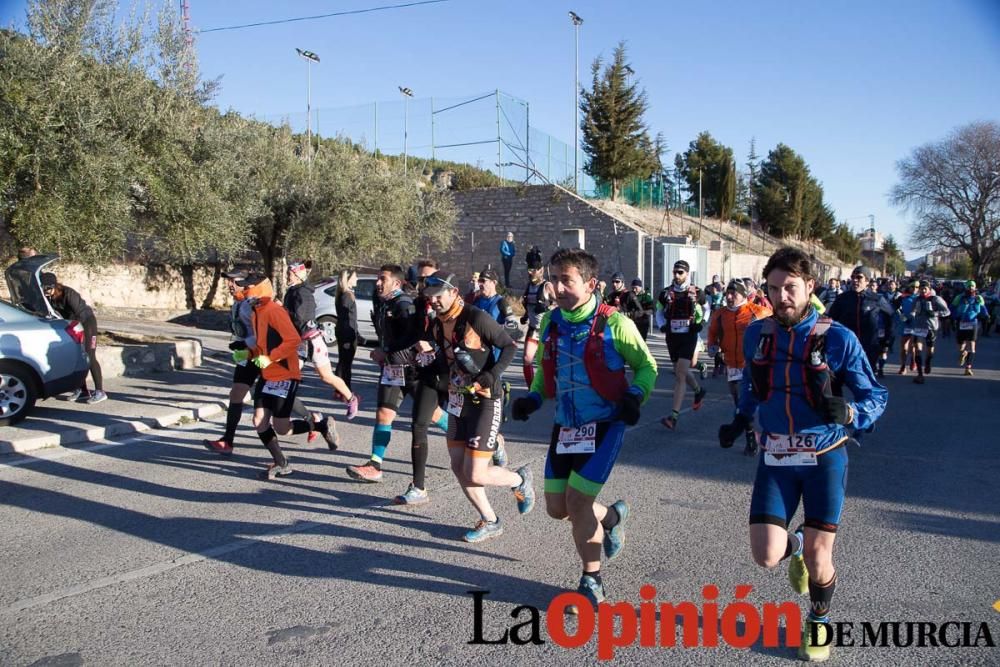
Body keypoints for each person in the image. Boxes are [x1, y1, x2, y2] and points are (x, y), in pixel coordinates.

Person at [718, 247, 888, 662]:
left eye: (790, 288)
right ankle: (793, 545)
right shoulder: (759, 334)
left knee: (820, 554)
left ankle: (818, 617)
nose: (782, 298)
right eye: (774, 289)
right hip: (776, 459)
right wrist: (741, 419)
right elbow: (757, 391)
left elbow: (875, 396)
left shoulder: (838, 339)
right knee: (766, 556)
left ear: (810, 287)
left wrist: (851, 411)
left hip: (824, 456)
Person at [511, 248, 657, 610]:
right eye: (554, 279)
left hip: (605, 424)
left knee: (578, 503)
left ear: (591, 284)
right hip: (566, 426)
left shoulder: (616, 324)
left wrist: (635, 396)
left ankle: (592, 580)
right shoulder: (551, 322)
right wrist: (533, 397)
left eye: (567, 280)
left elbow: (647, 367)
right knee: (557, 508)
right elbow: (547, 369)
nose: (557, 287)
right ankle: (612, 517)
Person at [417, 271, 534, 541]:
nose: (432, 302)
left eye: (437, 296)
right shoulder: (436, 325)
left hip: (485, 400)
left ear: (453, 293)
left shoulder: (475, 317)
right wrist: (426, 362)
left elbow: (509, 346)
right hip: (458, 401)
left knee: (476, 472)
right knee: (459, 468)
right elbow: (444, 362)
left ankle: (519, 480)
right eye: (429, 297)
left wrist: (491, 375)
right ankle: (490, 520)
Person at [346, 265, 449, 488]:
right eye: (377, 279)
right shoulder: (385, 303)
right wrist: (384, 352)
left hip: (414, 372)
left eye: (382, 279)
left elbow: (415, 341)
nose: (377, 283)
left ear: (397, 283)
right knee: (384, 414)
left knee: (435, 415)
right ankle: (374, 465)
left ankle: (478, 442)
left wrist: (387, 351)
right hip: (392, 370)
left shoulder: (404, 305)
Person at [239, 275, 318, 480]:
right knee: (259, 421)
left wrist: (270, 358)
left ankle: (319, 424)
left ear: (261, 288)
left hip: (285, 373)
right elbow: (263, 343)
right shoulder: (257, 311)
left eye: (247, 286)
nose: (243, 290)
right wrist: (248, 354)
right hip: (267, 374)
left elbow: (292, 340)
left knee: (282, 428)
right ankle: (282, 463)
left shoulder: (274, 310)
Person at [283, 260, 358, 436]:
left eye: (289, 274)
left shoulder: (303, 292)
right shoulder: (292, 291)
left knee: (326, 376)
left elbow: (300, 318)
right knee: (288, 381)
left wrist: (282, 312)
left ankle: (351, 398)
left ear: (298, 275)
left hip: (311, 340)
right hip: (298, 343)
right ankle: (310, 419)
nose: (287, 276)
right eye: (287, 273)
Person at [706, 279, 772, 455]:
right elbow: (712, 332)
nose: (728, 296)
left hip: (752, 365)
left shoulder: (758, 312)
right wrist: (712, 346)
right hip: (732, 364)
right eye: (727, 293)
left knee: (756, 401)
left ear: (743, 295)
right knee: (739, 403)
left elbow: (776, 328)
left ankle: (764, 436)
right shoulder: (720, 314)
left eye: (733, 293)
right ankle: (751, 435)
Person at [204, 268, 260, 454]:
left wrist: (245, 344)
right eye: (228, 281)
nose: (229, 285)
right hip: (245, 355)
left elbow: (264, 334)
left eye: (233, 281)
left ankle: (316, 422)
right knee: (236, 394)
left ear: (245, 283)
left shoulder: (253, 303)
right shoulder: (237, 302)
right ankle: (227, 441)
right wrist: (240, 345)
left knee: (277, 400)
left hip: (262, 356)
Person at [655, 260, 706, 430]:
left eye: (680, 272)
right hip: (672, 337)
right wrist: (662, 324)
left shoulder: (697, 292)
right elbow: (659, 311)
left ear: (687, 274)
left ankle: (673, 417)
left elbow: (707, 308)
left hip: (688, 336)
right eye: (675, 272)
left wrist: (701, 323)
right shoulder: (665, 293)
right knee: (680, 371)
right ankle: (699, 390)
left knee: (680, 374)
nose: (677, 276)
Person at [41, 273, 106, 404]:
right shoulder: (49, 297)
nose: (46, 292)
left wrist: (78, 332)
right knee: (77, 357)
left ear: (55, 286)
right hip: (72, 325)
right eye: (44, 290)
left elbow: (80, 314)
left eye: (48, 289)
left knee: (89, 356)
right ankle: (82, 390)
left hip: (87, 323)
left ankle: (100, 391)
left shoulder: (68, 294)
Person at [828, 266, 893, 372]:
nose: (855, 280)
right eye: (853, 277)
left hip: (869, 348)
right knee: (837, 381)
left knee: (865, 383)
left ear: (867, 281)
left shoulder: (877, 299)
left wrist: (886, 342)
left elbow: (890, 319)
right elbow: (831, 321)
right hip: (846, 347)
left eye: (859, 277)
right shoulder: (842, 299)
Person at [520, 258, 556, 386]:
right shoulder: (528, 286)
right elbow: (528, 304)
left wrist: (547, 307)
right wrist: (525, 315)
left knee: (545, 362)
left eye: (533, 270)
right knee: (526, 359)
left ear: (541, 270)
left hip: (546, 330)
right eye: (529, 270)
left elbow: (561, 304)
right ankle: (532, 388)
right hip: (533, 329)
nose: (530, 273)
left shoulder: (547, 286)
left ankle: (550, 386)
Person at [909, 280, 950, 384]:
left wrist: (934, 313)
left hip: (931, 327)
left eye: (925, 288)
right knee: (917, 349)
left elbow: (947, 312)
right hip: (918, 328)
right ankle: (920, 374)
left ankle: (928, 362)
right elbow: (912, 310)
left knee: (929, 351)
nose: (923, 290)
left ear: (929, 289)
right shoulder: (917, 299)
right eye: (921, 288)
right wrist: (913, 313)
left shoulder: (936, 299)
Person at [952, 280, 986, 376]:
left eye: (972, 286)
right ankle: (963, 352)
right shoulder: (959, 297)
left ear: (975, 288)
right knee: (961, 346)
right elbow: (952, 307)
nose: (970, 288)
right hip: (961, 323)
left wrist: (987, 316)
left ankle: (968, 368)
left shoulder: (978, 298)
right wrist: (952, 317)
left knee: (972, 345)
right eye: (969, 286)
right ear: (965, 287)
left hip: (973, 323)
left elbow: (983, 308)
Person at [334, 269, 361, 392]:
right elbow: (346, 317)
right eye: (355, 277)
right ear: (348, 278)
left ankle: (340, 389)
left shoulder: (346, 294)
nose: (357, 279)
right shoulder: (346, 295)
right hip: (346, 333)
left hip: (346, 331)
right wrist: (350, 335)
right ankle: (344, 389)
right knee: (345, 363)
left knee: (344, 362)